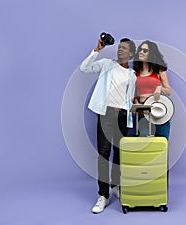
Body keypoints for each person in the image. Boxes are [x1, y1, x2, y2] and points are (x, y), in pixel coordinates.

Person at [80, 35, 136, 214]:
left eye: (124, 48)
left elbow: (129, 100)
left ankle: (115, 186)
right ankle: (102, 195)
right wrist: (97, 50)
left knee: (119, 154)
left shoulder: (132, 75)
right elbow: (84, 68)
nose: (120, 49)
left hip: (122, 116)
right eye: (119, 47)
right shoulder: (106, 64)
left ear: (131, 54)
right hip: (105, 114)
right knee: (104, 154)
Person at [132, 40, 171, 139]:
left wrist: (159, 88)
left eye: (145, 50)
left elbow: (168, 91)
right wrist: (136, 103)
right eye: (140, 49)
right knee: (144, 139)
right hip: (143, 109)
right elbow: (134, 93)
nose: (141, 52)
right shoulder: (135, 72)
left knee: (161, 139)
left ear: (151, 53)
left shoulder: (159, 71)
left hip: (159, 107)